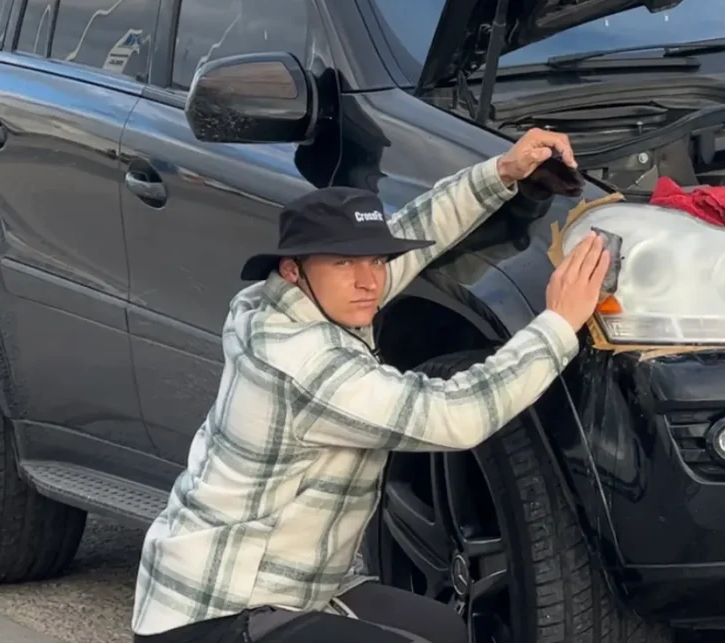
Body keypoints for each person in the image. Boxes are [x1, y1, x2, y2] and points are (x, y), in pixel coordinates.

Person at [130, 128, 611, 643]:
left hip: (295, 590)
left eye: (376, 261)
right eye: (344, 263)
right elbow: (457, 415)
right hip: (216, 611)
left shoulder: (285, 302)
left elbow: (416, 229)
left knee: (443, 629)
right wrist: (558, 323)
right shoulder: (303, 363)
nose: (368, 281)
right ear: (293, 270)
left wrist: (502, 173)